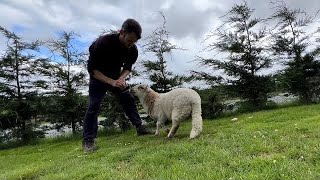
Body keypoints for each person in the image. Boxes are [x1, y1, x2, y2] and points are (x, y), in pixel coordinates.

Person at [83, 18, 153, 152]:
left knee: (128, 99)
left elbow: (127, 67)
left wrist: (121, 78)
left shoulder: (133, 49)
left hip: (116, 76)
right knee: (94, 105)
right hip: (98, 78)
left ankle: (139, 128)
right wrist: (111, 82)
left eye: (134, 42)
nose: (130, 45)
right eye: (129, 41)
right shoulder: (103, 43)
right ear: (121, 32)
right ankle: (88, 141)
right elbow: (93, 71)